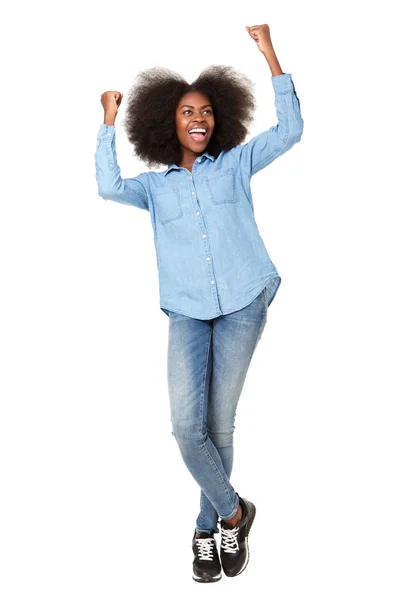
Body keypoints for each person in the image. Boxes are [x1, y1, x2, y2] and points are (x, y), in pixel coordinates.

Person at [94, 23, 304, 583]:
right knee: (189, 430)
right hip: (186, 310)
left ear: (220, 119)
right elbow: (108, 186)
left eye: (207, 112)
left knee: (218, 425)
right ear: (169, 123)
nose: (199, 120)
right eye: (188, 112)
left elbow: (290, 132)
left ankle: (205, 533)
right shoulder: (154, 186)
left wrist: (269, 55)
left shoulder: (235, 164)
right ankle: (235, 511)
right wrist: (107, 122)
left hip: (242, 300)